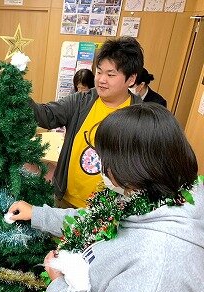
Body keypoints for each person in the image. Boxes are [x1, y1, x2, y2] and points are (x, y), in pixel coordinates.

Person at [9, 103, 203, 292]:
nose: (101, 167)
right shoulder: (149, 195)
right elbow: (95, 220)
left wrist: (59, 285)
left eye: (105, 160)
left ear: (132, 166)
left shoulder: (157, 266)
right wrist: (38, 214)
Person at [30, 36, 143, 209]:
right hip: (67, 200)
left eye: (111, 74)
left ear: (131, 79)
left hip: (108, 209)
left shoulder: (140, 114)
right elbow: (45, 114)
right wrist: (17, 92)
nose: (101, 79)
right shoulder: (81, 101)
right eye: (99, 72)